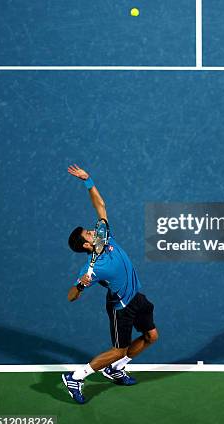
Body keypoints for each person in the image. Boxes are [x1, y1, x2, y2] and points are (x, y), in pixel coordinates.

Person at [62, 164, 158, 404]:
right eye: (88, 234)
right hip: (121, 307)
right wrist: (82, 285)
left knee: (151, 336)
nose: (92, 232)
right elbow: (71, 296)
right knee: (118, 349)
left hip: (136, 296)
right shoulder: (91, 269)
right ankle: (75, 377)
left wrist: (88, 180)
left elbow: (100, 205)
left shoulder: (106, 236)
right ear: (86, 246)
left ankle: (115, 369)